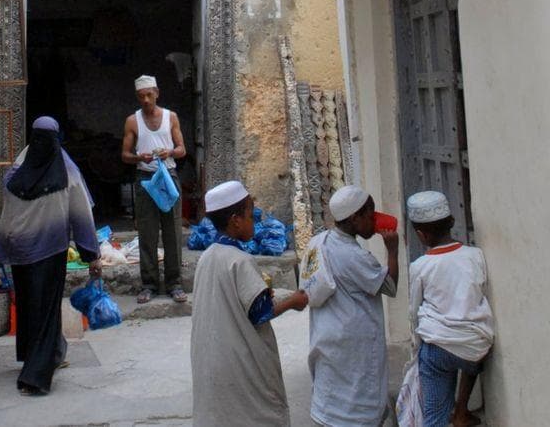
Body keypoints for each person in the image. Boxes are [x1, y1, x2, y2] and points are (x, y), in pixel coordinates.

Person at [0, 116, 102, 395]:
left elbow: (7, 216)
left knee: (29, 306)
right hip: (50, 251)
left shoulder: (17, 169)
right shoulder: (66, 170)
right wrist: (91, 254)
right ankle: (36, 376)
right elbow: (81, 214)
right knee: (46, 310)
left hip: (19, 252)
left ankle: (42, 355)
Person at [190, 181, 309, 427]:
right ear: (235, 220)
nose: (253, 221)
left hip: (213, 356)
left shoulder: (207, 256)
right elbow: (260, 313)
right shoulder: (240, 260)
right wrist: (293, 301)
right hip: (239, 359)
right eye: (250, 215)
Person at [308, 185, 399, 426]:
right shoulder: (355, 257)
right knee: (357, 406)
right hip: (354, 349)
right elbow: (390, 287)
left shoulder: (317, 242)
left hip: (328, 341)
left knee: (332, 400)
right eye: (370, 215)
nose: (374, 221)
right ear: (354, 218)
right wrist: (392, 251)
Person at [406, 191, 494, 427]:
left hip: (438, 350)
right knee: (470, 344)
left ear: (420, 235)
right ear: (452, 222)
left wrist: (416, 348)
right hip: (475, 347)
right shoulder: (475, 255)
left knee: (434, 417)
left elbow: (414, 311)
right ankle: (461, 411)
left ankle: (449, 416)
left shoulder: (420, 266)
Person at [121, 74, 187, 304]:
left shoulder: (171, 117)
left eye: (150, 95)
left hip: (167, 176)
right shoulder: (133, 121)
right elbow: (125, 155)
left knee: (172, 232)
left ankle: (175, 283)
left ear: (157, 93)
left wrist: (169, 153)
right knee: (147, 234)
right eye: (142, 96)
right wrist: (139, 156)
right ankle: (148, 284)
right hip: (145, 179)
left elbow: (182, 149)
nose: (146, 100)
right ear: (138, 97)